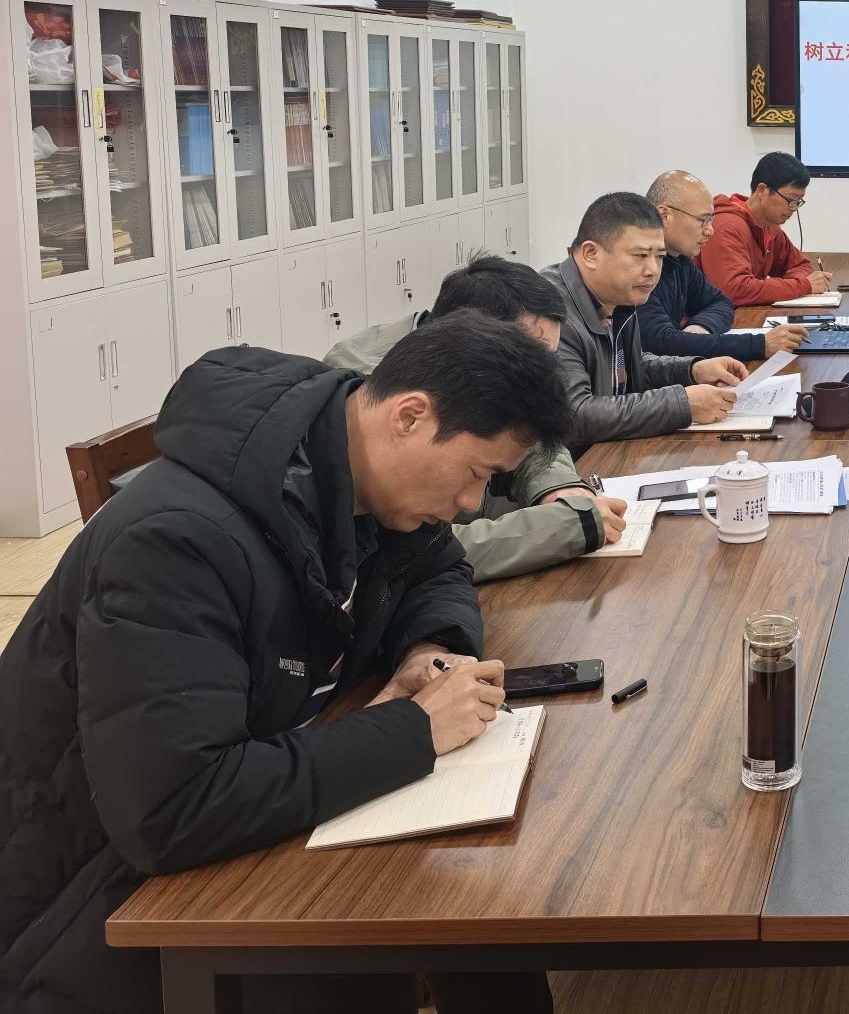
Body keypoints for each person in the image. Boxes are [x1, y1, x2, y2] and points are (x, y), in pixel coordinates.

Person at [0, 315, 572, 1014]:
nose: (469, 504)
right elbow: (175, 808)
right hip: (93, 911)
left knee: (478, 910)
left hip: (248, 806)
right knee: (409, 924)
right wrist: (414, 730)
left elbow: (439, 567)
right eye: (477, 474)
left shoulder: (351, 475)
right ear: (409, 416)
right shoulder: (173, 543)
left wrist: (430, 651)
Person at [327, 254, 628, 576]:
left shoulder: (471, 373)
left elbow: (525, 436)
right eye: (530, 356)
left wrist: (561, 489)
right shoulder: (373, 393)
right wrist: (565, 526)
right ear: (475, 339)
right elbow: (410, 553)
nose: (541, 374)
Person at [545, 192, 747, 447]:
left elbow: (627, 368)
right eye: (640, 256)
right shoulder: (549, 312)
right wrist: (682, 405)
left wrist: (692, 370)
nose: (652, 270)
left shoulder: (618, 297)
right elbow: (576, 415)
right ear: (591, 254)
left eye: (659, 257)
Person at [640, 169, 809, 361]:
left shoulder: (680, 260)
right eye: (703, 220)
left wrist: (701, 328)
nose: (710, 230)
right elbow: (661, 343)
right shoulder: (638, 271)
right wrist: (760, 345)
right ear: (664, 215)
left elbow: (721, 302)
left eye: (710, 220)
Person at [700, 152, 832, 307]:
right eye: (790, 200)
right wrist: (802, 286)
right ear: (762, 190)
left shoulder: (769, 226)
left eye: (798, 201)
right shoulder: (726, 227)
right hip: (710, 316)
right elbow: (734, 290)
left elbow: (799, 265)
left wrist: (793, 286)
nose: (794, 208)